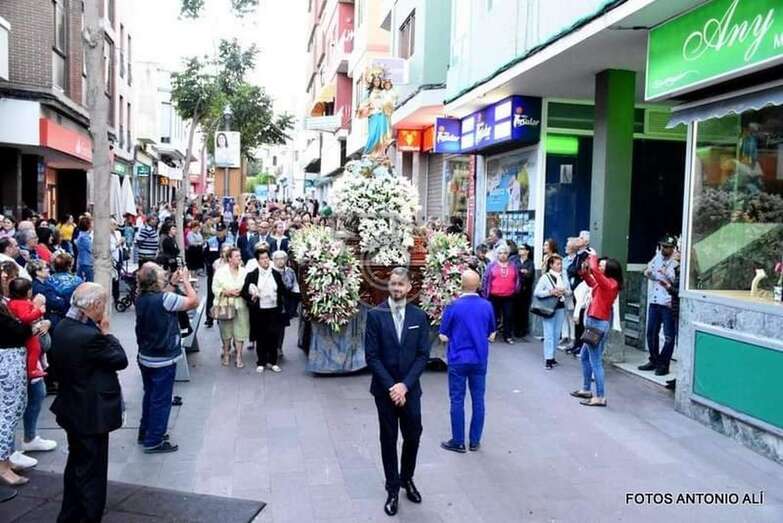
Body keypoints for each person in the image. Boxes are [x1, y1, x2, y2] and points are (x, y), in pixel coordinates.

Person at [48, 283, 128, 522]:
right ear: (94, 305)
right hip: (90, 412)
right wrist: (107, 333)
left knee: (76, 465)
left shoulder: (62, 326)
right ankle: (87, 517)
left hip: (72, 407)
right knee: (92, 472)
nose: (105, 308)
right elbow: (120, 359)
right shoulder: (89, 335)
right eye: (103, 303)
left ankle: (70, 514)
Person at [364, 268, 430, 517]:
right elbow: (371, 355)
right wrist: (392, 386)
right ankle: (392, 488)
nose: (396, 288)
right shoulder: (375, 315)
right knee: (388, 439)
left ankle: (407, 478)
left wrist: (405, 385)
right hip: (385, 390)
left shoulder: (419, 316)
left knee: (413, 435)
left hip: (410, 390)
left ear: (409, 287)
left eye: (401, 284)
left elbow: (423, 355)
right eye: (392, 284)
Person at [135, 263, 199, 453]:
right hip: (163, 356)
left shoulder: (141, 297)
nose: (164, 273)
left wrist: (172, 283)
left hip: (146, 354)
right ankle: (154, 440)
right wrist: (186, 281)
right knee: (161, 399)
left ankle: (145, 431)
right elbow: (192, 302)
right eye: (161, 272)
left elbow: (164, 298)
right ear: (155, 279)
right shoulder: (165, 299)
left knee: (150, 395)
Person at [438, 270, 495, 453]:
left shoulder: (453, 306)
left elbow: (443, 335)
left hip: (458, 358)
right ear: (478, 285)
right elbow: (491, 333)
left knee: (457, 399)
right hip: (479, 358)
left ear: (461, 284)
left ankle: (458, 441)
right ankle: (475, 440)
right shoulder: (487, 306)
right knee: (478, 399)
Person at [7, 278, 57, 455]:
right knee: (14, 407)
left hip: (25, 359)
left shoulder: (12, 303)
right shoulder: (16, 305)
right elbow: (19, 326)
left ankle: (29, 437)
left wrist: (45, 322)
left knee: (36, 395)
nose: (5, 277)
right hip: (15, 360)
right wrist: (37, 313)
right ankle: (10, 452)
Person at [570, 254, 623, 407]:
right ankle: (586, 389)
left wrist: (593, 257)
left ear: (610, 270)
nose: (599, 267)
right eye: (600, 265)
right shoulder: (607, 283)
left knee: (596, 361)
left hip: (597, 324)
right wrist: (585, 272)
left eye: (602, 266)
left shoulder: (610, 284)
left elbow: (594, 271)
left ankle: (600, 396)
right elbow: (590, 280)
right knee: (585, 356)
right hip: (596, 322)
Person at [0, 296, 33, 487]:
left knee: (15, 410)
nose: (4, 276)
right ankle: (2, 466)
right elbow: (17, 331)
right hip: (6, 362)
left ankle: (5, 460)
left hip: (11, 361)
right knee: (7, 414)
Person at [242, 247, 287, 373]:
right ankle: (261, 361)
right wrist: (252, 297)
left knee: (273, 335)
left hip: (274, 310)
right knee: (261, 337)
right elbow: (244, 292)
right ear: (258, 261)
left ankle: (273, 362)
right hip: (259, 311)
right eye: (262, 258)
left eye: (267, 258)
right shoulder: (252, 275)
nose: (265, 261)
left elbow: (282, 291)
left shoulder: (276, 274)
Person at [639, 235, 679, 376]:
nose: (664, 249)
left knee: (668, 336)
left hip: (668, 302)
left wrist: (665, 273)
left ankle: (664, 363)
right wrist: (648, 273)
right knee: (651, 332)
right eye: (663, 246)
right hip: (655, 300)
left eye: (667, 247)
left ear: (672, 249)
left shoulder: (676, 263)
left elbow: (676, 282)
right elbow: (648, 272)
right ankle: (654, 360)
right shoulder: (656, 258)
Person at [212, 247, 250, 367]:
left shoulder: (244, 271)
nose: (239, 258)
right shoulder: (220, 272)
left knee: (240, 331)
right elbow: (214, 288)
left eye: (240, 256)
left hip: (241, 304)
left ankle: (239, 356)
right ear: (229, 258)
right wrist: (226, 292)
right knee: (226, 331)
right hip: (225, 305)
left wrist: (244, 291)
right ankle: (227, 353)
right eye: (236, 256)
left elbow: (249, 285)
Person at [534, 255, 573, 369]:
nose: (560, 266)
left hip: (560, 307)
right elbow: (537, 292)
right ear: (551, 265)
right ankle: (548, 358)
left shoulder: (563, 276)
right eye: (557, 264)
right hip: (549, 307)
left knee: (556, 334)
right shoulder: (545, 277)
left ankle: (553, 356)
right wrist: (551, 292)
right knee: (549, 334)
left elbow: (570, 291)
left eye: (561, 264)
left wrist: (564, 291)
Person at [481, 243, 520, 344]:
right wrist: (485, 293)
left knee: (508, 316)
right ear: (497, 254)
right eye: (500, 253)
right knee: (493, 316)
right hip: (494, 295)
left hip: (509, 296)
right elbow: (485, 279)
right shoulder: (491, 265)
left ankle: (508, 336)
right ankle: (491, 334)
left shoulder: (513, 265)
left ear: (508, 254)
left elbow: (517, 279)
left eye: (505, 253)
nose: (503, 255)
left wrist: (516, 289)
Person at [271, 250, 300, 359]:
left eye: (282, 258)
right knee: (272, 326)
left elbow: (295, 286)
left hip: (285, 301)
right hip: (273, 302)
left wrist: (295, 303)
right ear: (273, 260)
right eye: (277, 259)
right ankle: (271, 347)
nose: (280, 261)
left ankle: (279, 347)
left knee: (281, 327)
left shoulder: (290, 271)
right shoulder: (270, 272)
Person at [566, 231, 591, 354]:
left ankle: (582, 345)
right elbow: (571, 269)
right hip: (575, 289)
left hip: (583, 290)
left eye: (581, 238)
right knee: (576, 319)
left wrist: (575, 270)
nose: (578, 240)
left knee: (581, 318)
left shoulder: (587, 254)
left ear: (586, 241)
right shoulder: (577, 255)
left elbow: (579, 270)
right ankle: (576, 342)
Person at [203, 224, 230, 328]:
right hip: (213, 271)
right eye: (218, 231)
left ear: (225, 231)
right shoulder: (210, 241)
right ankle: (209, 318)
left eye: (222, 231)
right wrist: (209, 266)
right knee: (211, 295)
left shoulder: (230, 241)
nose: (220, 233)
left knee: (224, 295)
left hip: (226, 272)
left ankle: (221, 317)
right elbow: (204, 255)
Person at [515, 244, 535, 339]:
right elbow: (515, 272)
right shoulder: (515, 260)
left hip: (525, 289)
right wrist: (522, 271)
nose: (520, 250)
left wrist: (523, 272)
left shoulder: (530, 262)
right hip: (516, 288)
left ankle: (522, 330)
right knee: (515, 309)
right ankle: (514, 329)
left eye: (522, 249)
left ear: (527, 251)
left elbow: (529, 274)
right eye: (519, 248)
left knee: (524, 310)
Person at [74, 216, 94, 282]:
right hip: (86, 263)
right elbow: (91, 249)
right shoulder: (84, 237)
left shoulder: (83, 235)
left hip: (83, 261)